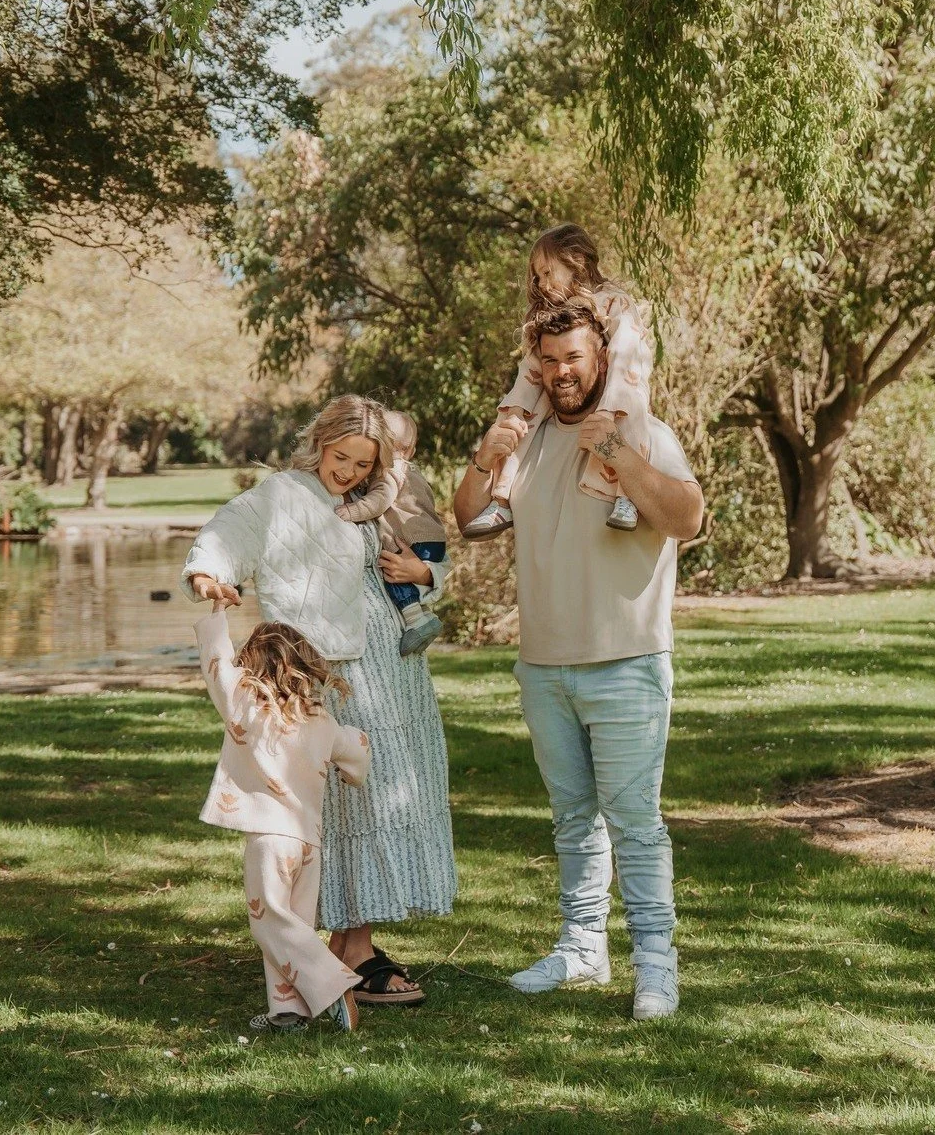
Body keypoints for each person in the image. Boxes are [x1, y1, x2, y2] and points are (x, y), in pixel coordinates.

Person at [453, 299, 704, 1021]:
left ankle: (655, 966)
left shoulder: (643, 431)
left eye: (574, 358)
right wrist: (486, 456)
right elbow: (467, 518)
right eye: (549, 360)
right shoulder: (526, 438)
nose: (561, 372)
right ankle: (582, 947)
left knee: (635, 822)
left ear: (601, 359)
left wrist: (618, 453)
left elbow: (687, 519)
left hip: (626, 660)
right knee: (572, 820)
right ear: (536, 365)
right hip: (543, 665)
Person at [185, 395, 456, 1008]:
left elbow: (425, 556)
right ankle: (342, 950)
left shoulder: (375, 498)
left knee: (383, 792)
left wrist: (426, 575)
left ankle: (353, 944)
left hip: (393, 668)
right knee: (339, 802)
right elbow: (230, 530)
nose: (349, 472)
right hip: (328, 670)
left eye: (363, 463)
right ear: (320, 442)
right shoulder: (282, 494)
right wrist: (208, 572)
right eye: (342, 458)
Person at [193, 606, 371, 1033]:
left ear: (252, 665)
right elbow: (358, 747)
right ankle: (288, 1013)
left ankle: (333, 983)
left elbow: (216, 664)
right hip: (309, 841)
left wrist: (217, 613)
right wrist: (351, 773)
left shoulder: (246, 707)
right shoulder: (321, 720)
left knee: (271, 922)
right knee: (295, 925)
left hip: (270, 839)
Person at [461, 224, 653, 540]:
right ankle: (502, 498)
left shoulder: (611, 301)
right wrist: (516, 408)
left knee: (630, 412)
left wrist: (612, 404)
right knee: (519, 420)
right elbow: (533, 366)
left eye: (548, 272)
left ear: (576, 261)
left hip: (618, 381)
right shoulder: (553, 314)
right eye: (537, 277)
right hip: (563, 385)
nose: (542, 283)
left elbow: (626, 352)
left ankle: (627, 496)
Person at [376, 410, 448, 656]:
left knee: (392, 571)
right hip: (434, 539)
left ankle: (417, 620)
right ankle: (423, 616)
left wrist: (353, 511)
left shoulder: (390, 474)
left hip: (414, 541)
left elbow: (377, 503)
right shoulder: (415, 474)